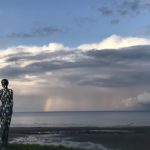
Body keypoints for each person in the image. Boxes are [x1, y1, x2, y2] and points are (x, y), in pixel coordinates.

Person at [0, 79, 13, 150]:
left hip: (6, 110)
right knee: (4, 127)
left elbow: (11, 102)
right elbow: (11, 102)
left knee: (5, 127)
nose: (3, 84)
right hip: (5, 110)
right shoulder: (2, 91)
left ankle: (4, 144)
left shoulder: (10, 91)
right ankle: (3, 144)